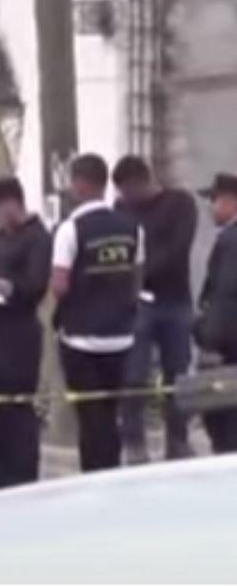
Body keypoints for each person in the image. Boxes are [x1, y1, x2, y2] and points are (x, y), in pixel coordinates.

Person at [51, 153, 143, 473]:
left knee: (90, 416)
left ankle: (94, 473)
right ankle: (111, 470)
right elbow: (137, 276)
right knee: (109, 411)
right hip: (121, 337)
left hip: (81, 340)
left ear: (80, 184)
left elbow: (59, 285)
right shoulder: (132, 227)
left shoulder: (70, 229)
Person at [111, 155, 198, 463]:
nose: (126, 198)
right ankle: (135, 442)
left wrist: (139, 274)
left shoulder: (180, 204)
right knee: (134, 374)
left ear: (142, 181)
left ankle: (178, 439)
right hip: (137, 304)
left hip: (174, 300)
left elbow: (177, 249)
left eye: (129, 191)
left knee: (177, 372)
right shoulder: (121, 209)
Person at [0, 176, 51, 489]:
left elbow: (34, 285)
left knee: (18, 406)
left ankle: (22, 473)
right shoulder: (1, 237)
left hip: (20, 330)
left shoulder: (37, 238)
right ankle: (1, 469)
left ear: (11, 204)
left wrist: (0, 287)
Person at [193, 173, 237, 453]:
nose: (210, 207)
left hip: (229, 347)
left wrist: (210, 339)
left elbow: (225, 295)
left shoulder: (231, 242)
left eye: (214, 199)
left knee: (223, 420)